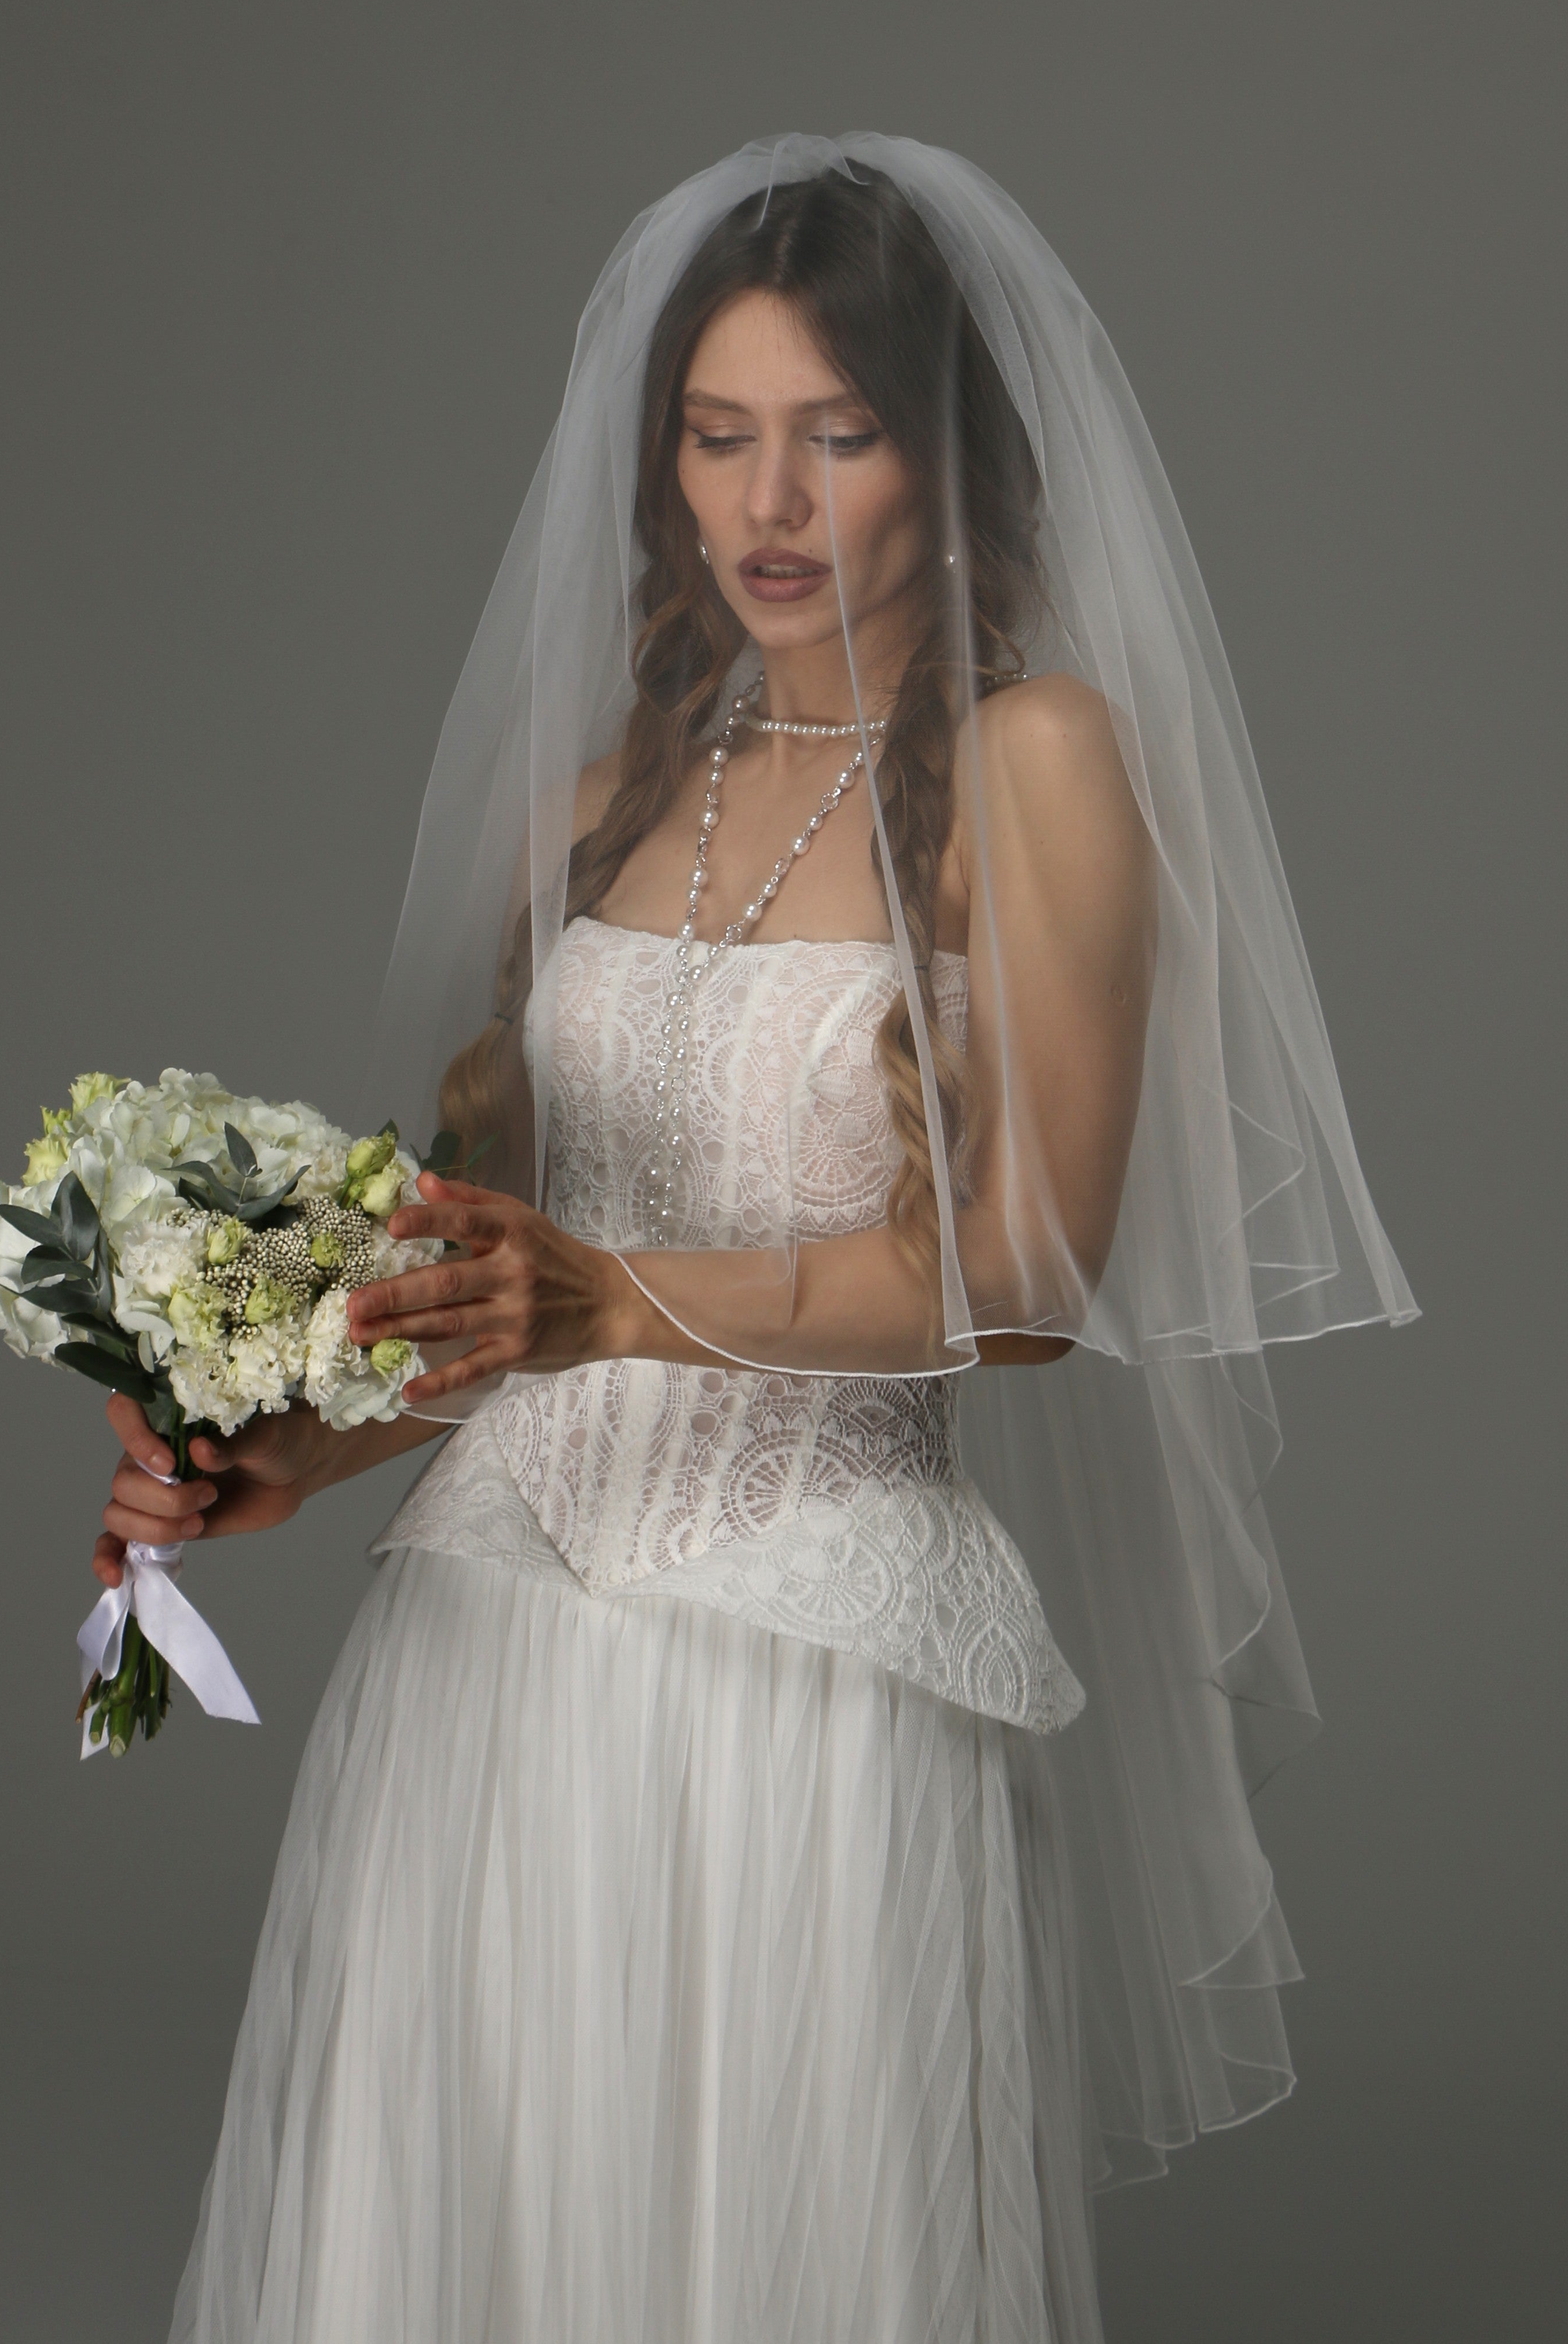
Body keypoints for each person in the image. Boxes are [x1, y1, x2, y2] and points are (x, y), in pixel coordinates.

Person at [97, 138, 1415, 2343]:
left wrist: (615, 1299)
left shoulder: (1040, 763)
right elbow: (503, 1295)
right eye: (717, 438)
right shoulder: (605, 798)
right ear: (663, 469)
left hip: (814, 1654)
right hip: (490, 1652)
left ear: (950, 459)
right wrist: (293, 1449)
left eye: (838, 433)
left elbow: (1026, 1284)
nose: (770, 503)